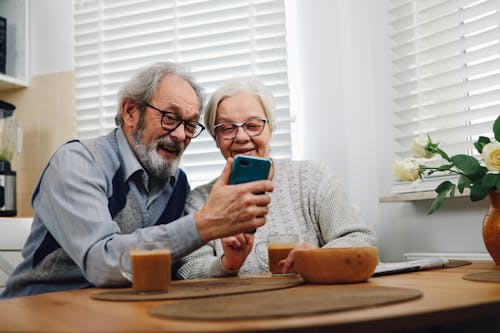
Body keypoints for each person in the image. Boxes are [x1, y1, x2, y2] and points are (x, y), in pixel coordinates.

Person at [1, 63, 273, 298]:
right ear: (130, 112)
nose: (180, 135)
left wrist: (226, 261)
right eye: (170, 118)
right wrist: (206, 223)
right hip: (39, 309)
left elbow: (169, 266)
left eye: (190, 125)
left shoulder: (178, 184)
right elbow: (102, 263)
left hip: (116, 312)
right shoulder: (78, 162)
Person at [177, 78, 377, 279]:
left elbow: (360, 238)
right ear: (216, 139)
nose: (241, 137)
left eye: (253, 125)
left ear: (271, 129)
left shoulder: (313, 178)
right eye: (227, 128)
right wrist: (227, 264)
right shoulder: (199, 201)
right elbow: (187, 271)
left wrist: (317, 257)